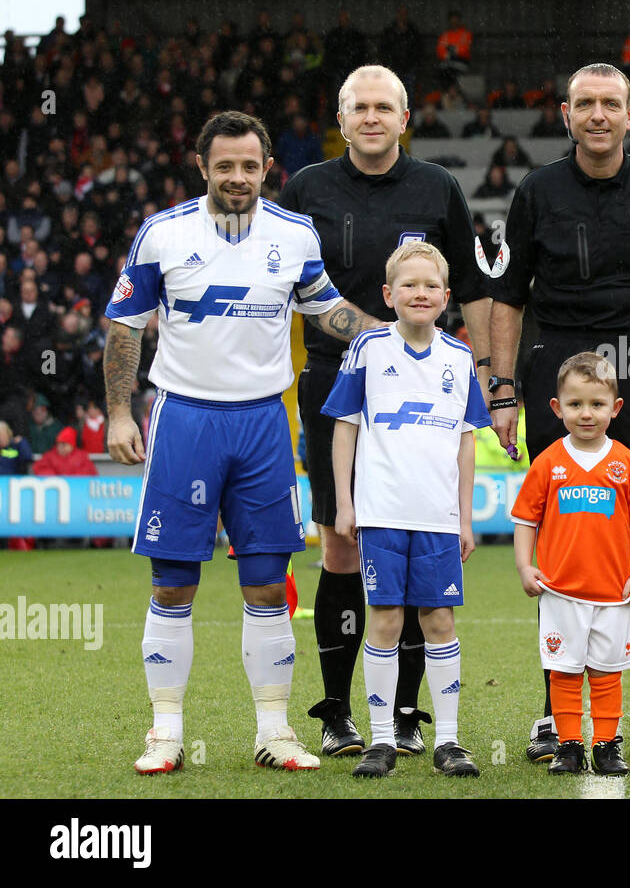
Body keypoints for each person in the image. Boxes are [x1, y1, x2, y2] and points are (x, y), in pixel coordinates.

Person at [105, 110, 384, 775]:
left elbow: (328, 309)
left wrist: (393, 337)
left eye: (248, 165)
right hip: (185, 420)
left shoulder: (294, 235)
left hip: (263, 423)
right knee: (173, 583)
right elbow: (124, 327)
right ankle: (165, 732)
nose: (237, 177)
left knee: (266, 582)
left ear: (267, 169)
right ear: (202, 166)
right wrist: (119, 413)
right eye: (223, 165)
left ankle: (274, 730)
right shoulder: (163, 234)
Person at [489, 62, 630, 762]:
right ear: (565, 113)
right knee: (562, 548)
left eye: (609, 104)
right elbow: (507, 301)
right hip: (554, 369)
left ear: (629, 114)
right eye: (584, 103)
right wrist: (502, 390)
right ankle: (556, 717)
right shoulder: (535, 191)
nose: (597, 114)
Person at [278, 65, 489, 759]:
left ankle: (403, 713)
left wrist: (493, 376)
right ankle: (339, 711)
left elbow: (476, 290)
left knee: (419, 549)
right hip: (334, 382)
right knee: (342, 543)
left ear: (405, 119)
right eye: (357, 107)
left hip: (423, 391)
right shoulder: (306, 189)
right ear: (341, 121)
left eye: (384, 107)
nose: (371, 117)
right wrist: (372, 335)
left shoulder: (439, 189)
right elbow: (283, 284)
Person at [324, 242, 490, 779]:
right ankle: (380, 741)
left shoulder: (459, 356)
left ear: (446, 296)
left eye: (430, 285)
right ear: (388, 294)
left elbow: (466, 442)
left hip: (439, 518)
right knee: (386, 620)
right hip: (382, 513)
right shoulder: (369, 348)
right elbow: (344, 425)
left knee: (439, 620)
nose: (420, 293)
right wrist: (346, 503)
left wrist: (464, 518)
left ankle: (447, 740)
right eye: (409, 284)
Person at [510, 352, 630, 776]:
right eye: (575, 405)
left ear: (616, 407)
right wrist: (525, 566)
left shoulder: (627, 463)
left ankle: (607, 744)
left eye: (596, 404)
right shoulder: (548, 463)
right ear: (557, 408)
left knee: (608, 673)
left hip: (613, 593)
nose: (586, 414)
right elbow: (526, 521)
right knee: (564, 671)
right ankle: (569, 744)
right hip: (559, 591)